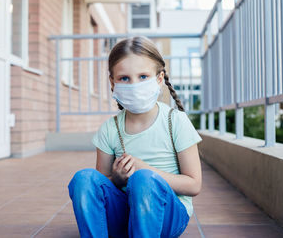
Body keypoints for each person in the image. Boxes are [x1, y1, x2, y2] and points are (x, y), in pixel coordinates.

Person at [67, 36, 203, 238]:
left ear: (159, 79)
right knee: (84, 178)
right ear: (112, 82)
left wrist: (146, 170)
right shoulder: (109, 129)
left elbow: (194, 185)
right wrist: (118, 179)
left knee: (144, 179)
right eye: (124, 78)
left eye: (142, 77)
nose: (134, 85)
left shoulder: (176, 121)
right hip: (124, 215)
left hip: (167, 217)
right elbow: (100, 184)